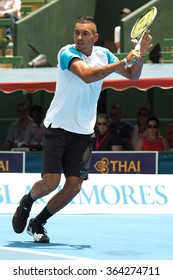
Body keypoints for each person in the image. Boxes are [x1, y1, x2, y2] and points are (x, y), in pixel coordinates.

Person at [12, 16, 153, 243]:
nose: (79, 37)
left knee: (74, 187)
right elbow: (88, 76)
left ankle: (38, 222)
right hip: (57, 127)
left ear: (95, 38)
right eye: (76, 32)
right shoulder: (66, 53)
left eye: (84, 34)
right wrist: (123, 60)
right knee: (50, 183)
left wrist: (140, 52)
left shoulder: (104, 54)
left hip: (84, 132)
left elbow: (133, 75)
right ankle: (27, 201)